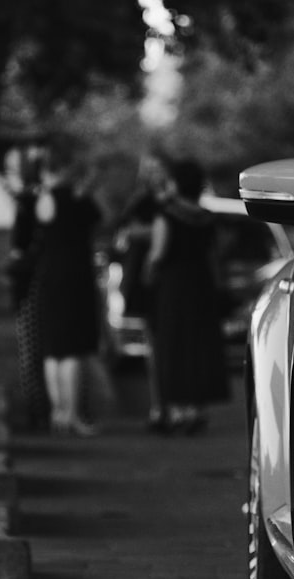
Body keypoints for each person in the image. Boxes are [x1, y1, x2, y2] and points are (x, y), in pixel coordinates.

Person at [144, 158, 229, 435]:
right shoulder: (206, 217)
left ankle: (178, 411)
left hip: (173, 289)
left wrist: (146, 276)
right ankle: (196, 409)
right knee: (198, 347)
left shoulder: (167, 215)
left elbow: (157, 254)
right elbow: (214, 257)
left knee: (173, 346)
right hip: (201, 287)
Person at [34, 144, 103, 436]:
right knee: (73, 348)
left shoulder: (44, 200)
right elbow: (99, 221)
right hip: (76, 276)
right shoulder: (79, 199)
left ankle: (58, 412)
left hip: (49, 276)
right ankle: (73, 414)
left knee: (53, 350)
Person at [113, 153, 171, 431]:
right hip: (147, 283)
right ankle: (159, 406)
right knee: (154, 347)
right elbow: (124, 233)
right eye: (147, 168)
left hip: (171, 280)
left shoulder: (173, 200)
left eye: (156, 167)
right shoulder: (140, 201)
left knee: (170, 345)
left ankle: (173, 406)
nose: (151, 173)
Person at [3, 144, 51, 432]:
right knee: (35, 351)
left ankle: (37, 409)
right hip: (32, 283)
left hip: (30, 284)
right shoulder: (29, 202)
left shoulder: (28, 204)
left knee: (31, 351)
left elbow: (23, 247)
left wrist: (17, 258)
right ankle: (39, 407)